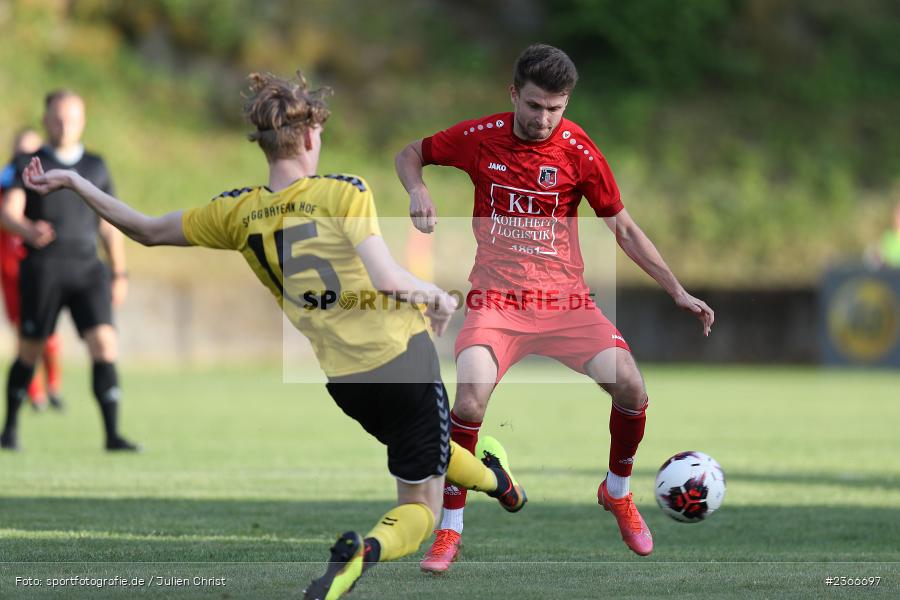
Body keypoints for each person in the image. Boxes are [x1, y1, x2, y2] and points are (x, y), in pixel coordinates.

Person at [19, 70, 527, 600]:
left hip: (346, 382)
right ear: (310, 137)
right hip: (403, 357)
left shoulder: (238, 211)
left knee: (426, 446)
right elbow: (386, 279)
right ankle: (363, 554)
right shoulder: (343, 190)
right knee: (420, 506)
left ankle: (498, 481)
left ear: (264, 144)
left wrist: (77, 184)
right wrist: (436, 297)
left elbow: (145, 230)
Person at [396, 43, 715, 570]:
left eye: (556, 108)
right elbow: (410, 152)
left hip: (564, 302)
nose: (545, 119)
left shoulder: (577, 150)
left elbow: (625, 228)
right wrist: (417, 188)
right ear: (514, 93)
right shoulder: (479, 138)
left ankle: (617, 491)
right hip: (497, 300)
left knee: (632, 386)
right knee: (470, 401)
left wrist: (677, 290)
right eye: (535, 106)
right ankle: (449, 529)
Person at [0, 91, 135, 451]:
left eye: (72, 119)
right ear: (46, 120)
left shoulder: (96, 166)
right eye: (58, 118)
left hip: (88, 269)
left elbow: (109, 223)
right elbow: (8, 211)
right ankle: (10, 428)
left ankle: (112, 434)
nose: (65, 125)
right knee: (30, 349)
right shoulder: (28, 161)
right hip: (43, 269)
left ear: (83, 122)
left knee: (104, 344)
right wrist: (27, 229)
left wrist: (119, 273)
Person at [0, 127, 64, 411]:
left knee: (48, 334)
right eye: (20, 150)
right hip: (11, 266)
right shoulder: (6, 181)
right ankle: (33, 391)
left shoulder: (53, 183)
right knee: (24, 333)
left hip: (44, 265)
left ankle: (54, 386)